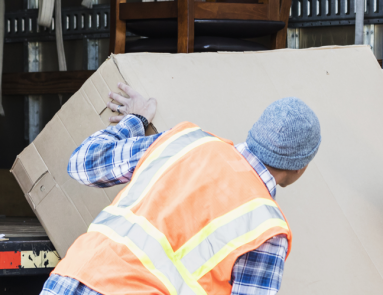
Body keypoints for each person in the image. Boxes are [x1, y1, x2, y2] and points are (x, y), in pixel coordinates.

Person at [40, 83, 321, 295]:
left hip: (68, 280)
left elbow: (82, 163)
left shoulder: (184, 141)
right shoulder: (266, 227)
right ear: (300, 168)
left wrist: (136, 120)